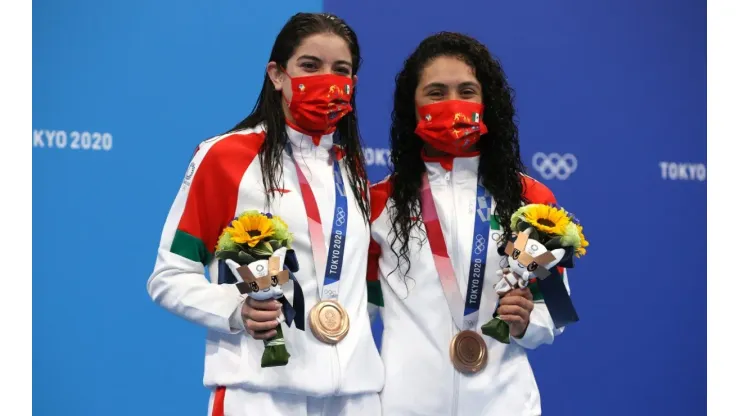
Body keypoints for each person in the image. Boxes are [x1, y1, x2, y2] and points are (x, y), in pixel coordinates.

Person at [147, 12, 383, 416]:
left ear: (353, 84)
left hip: (355, 397)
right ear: (276, 74)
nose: (326, 79)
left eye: (339, 70)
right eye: (310, 66)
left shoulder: (352, 171)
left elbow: (360, 286)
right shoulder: (226, 157)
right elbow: (170, 276)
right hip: (261, 392)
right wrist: (235, 310)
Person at [367, 32, 571, 415]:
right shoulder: (379, 202)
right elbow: (356, 311)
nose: (453, 105)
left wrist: (527, 324)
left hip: (505, 403)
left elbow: (557, 309)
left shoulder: (531, 202)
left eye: (466, 91)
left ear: (486, 101)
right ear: (412, 104)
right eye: (436, 93)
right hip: (404, 406)